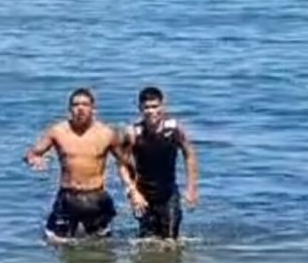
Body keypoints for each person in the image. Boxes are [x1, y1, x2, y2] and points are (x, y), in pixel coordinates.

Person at [25, 87, 124, 241]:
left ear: (93, 108)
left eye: (85, 104)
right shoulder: (57, 131)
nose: (80, 109)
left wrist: (134, 189)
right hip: (68, 197)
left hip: (96, 198)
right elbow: (32, 153)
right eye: (75, 105)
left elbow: (125, 162)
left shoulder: (107, 133)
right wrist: (34, 159)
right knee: (56, 243)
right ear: (69, 108)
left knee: (102, 245)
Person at [118, 86, 200, 242]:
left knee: (171, 239)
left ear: (163, 106)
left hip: (168, 193)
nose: (151, 111)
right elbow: (122, 165)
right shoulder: (133, 132)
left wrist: (191, 188)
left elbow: (189, 155)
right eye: (146, 107)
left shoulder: (175, 129)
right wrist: (133, 192)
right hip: (143, 194)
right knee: (146, 240)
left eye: (154, 106)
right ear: (140, 108)